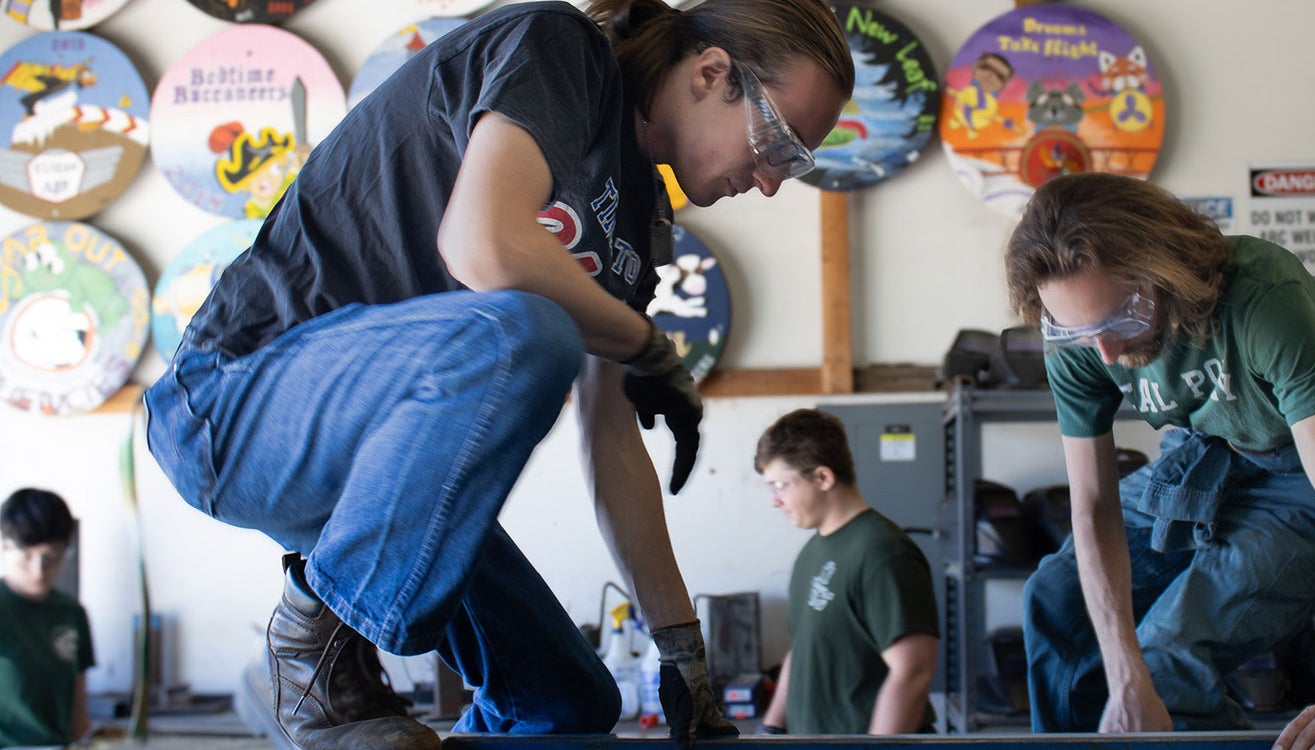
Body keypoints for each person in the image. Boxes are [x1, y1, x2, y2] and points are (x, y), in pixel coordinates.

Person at [141, 1, 852, 748]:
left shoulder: (641, 229)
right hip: (231, 402)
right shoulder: (560, 49)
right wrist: (647, 345)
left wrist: (682, 651)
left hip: (370, 474)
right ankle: (309, 660)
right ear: (711, 73)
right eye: (778, 140)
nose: (772, 181)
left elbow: (610, 441)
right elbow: (483, 245)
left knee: (567, 702)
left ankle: (326, 662)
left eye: (795, 163)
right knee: (526, 330)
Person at [1006, 173, 1315, 749]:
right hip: (1207, 450)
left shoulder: (1264, 297)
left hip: (1303, 469)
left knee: (1169, 661)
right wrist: (1123, 678)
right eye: (1080, 331)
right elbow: (1092, 505)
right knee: (1054, 599)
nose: (1106, 352)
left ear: (1164, 269)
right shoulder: (1080, 332)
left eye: (1121, 318)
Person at [753, 409, 939, 735]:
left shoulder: (884, 553)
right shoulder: (812, 552)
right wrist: (772, 726)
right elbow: (802, 649)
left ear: (823, 478)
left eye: (781, 485)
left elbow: (913, 672)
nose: (774, 501)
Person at [0, 488, 93, 748]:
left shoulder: (72, 614)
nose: (38, 572)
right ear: (5, 546)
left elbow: (78, 717)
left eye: (50, 558)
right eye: (26, 557)